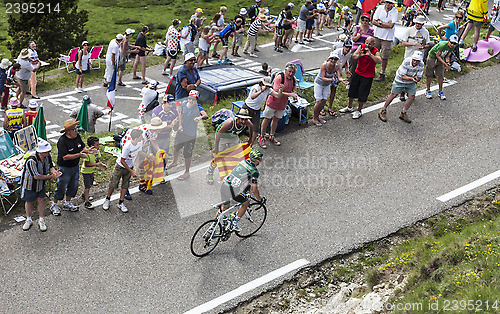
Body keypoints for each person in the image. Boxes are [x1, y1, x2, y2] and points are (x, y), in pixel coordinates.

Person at [50, 119, 94, 216]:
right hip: (64, 167)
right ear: (68, 131)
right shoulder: (62, 141)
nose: (76, 131)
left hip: (75, 166)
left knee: (73, 185)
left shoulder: (77, 137)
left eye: (76, 129)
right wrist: (79, 155)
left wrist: (87, 151)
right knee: (61, 186)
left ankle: (67, 203)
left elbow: (82, 147)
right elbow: (65, 157)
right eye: (74, 129)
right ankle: (54, 204)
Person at [20, 140, 61, 232]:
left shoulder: (47, 156)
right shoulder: (31, 160)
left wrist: (54, 172)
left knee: (41, 200)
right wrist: (51, 176)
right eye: (47, 151)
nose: (48, 152)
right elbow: (36, 176)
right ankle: (29, 219)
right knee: (29, 201)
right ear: (41, 152)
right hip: (30, 184)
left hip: (41, 184)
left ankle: (41, 220)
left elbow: (51, 166)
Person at [219, 149, 264, 232]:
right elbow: (255, 189)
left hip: (224, 185)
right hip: (233, 190)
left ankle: (214, 224)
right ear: (257, 160)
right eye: (260, 159)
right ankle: (234, 224)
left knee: (224, 207)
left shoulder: (243, 162)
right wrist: (260, 199)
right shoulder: (254, 171)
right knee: (245, 202)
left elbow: (240, 175)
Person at [167, 90, 208, 180]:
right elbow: (180, 114)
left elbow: (206, 115)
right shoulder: (184, 103)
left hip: (190, 135)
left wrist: (199, 117)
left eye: (193, 99)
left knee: (187, 153)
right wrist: (180, 125)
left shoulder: (198, 107)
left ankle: (187, 171)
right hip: (181, 131)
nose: (191, 101)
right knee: (176, 147)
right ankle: (174, 162)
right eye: (190, 98)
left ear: (197, 100)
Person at [206, 108, 254, 184]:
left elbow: (251, 128)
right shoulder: (230, 123)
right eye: (242, 119)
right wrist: (216, 147)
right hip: (222, 138)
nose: (243, 121)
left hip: (233, 137)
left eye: (245, 119)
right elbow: (218, 134)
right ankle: (210, 172)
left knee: (237, 155)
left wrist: (250, 139)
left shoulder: (248, 123)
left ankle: (232, 173)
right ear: (238, 118)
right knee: (218, 157)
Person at [339, 36, 381, 119]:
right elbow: (353, 56)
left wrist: (371, 55)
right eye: (367, 43)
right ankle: (349, 107)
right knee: (352, 90)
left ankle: (359, 110)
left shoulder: (375, 51)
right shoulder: (361, 47)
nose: (368, 45)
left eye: (370, 44)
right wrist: (360, 55)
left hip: (368, 76)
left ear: (374, 44)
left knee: (362, 93)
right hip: (358, 72)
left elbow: (379, 60)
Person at [103, 129, 144, 213]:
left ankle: (121, 202)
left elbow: (138, 153)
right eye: (141, 136)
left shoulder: (139, 143)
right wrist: (131, 171)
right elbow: (122, 160)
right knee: (113, 183)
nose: (142, 137)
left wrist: (137, 166)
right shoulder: (127, 146)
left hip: (129, 166)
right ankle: (107, 199)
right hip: (120, 166)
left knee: (125, 184)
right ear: (136, 138)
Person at [378, 51, 424, 123]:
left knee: (412, 96)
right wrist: (411, 78)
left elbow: (419, 77)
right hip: (400, 80)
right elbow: (403, 77)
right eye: (414, 59)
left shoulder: (421, 64)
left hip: (411, 81)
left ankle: (403, 113)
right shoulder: (406, 61)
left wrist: (416, 79)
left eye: (417, 60)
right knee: (393, 94)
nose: (415, 62)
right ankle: (383, 110)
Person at [258, 63, 298, 149]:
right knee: (267, 119)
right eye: (289, 72)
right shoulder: (279, 78)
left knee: (276, 120)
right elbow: (275, 91)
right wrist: (290, 94)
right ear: (285, 70)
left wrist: (294, 96)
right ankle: (261, 137)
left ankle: (271, 135)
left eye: (293, 72)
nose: (291, 74)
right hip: (273, 102)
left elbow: (293, 91)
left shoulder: (293, 79)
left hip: (282, 104)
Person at [243, 76, 282, 145]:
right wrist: (261, 91)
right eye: (264, 85)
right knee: (241, 124)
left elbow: (277, 96)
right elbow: (252, 96)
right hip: (247, 107)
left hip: (256, 110)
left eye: (267, 86)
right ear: (261, 83)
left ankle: (251, 144)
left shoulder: (268, 90)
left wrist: (281, 90)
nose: (266, 87)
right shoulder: (256, 87)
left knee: (256, 128)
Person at [313, 52, 347, 126]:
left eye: (335, 59)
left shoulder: (337, 66)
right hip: (319, 84)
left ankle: (318, 117)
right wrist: (331, 80)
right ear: (329, 59)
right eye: (332, 58)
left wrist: (342, 80)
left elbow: (339, 76)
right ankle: (314, 118)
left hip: (327, 85)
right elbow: (323, 78)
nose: (333, 60)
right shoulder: (324, 65)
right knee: (319, 102)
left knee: (324, 101)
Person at [425, 35, 458, 100]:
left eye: (454, 43)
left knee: (441, 75)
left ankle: (440, 91)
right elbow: (437, 55)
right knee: (429, 74)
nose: (452, 44)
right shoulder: (442, 45)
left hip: (441, 59)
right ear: (448, 41)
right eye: (451, 42)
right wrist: (445, 63)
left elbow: (447, 56)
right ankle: (428, 90)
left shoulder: (452, 48)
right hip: (432, 57)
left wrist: (448, 62)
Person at [371, 0, 398, 81]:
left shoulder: (395, 11)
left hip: (387, 37)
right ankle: (372, 71)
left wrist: (380, 23)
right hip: (377, 35)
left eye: (390, 3)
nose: (388, 4)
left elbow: (391, 25)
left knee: (385, 56)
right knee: (373, 53)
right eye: (387, 2)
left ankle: (382, 73)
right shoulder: (380, 8)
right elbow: (373, 21)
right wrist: (385, 24)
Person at [327, 40, 352, 115]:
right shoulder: (336, 52)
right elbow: (328, 60)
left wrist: (346, 70)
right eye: (346, 47)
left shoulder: (348, 53)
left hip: (338, 73)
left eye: (349, 48)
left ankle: (329, 107)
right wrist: (336, 65)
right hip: (330, 72)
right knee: (326, 91)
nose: (348, 49)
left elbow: (346, 61)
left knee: (333, 90)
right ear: (343, 46)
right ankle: (322, 108)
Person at [81, 136, 107, 209]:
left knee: (91, 183)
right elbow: (86, 164)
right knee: (87, 186)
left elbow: (97, 160)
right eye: (97, 145)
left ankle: (84, 195)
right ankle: (87, 202)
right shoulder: (88, 153)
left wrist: (102, 165)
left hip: (91, 171)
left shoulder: (97, 152)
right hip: (86, 172)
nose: (98, 146)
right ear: (92, 146)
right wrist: (96, 165)